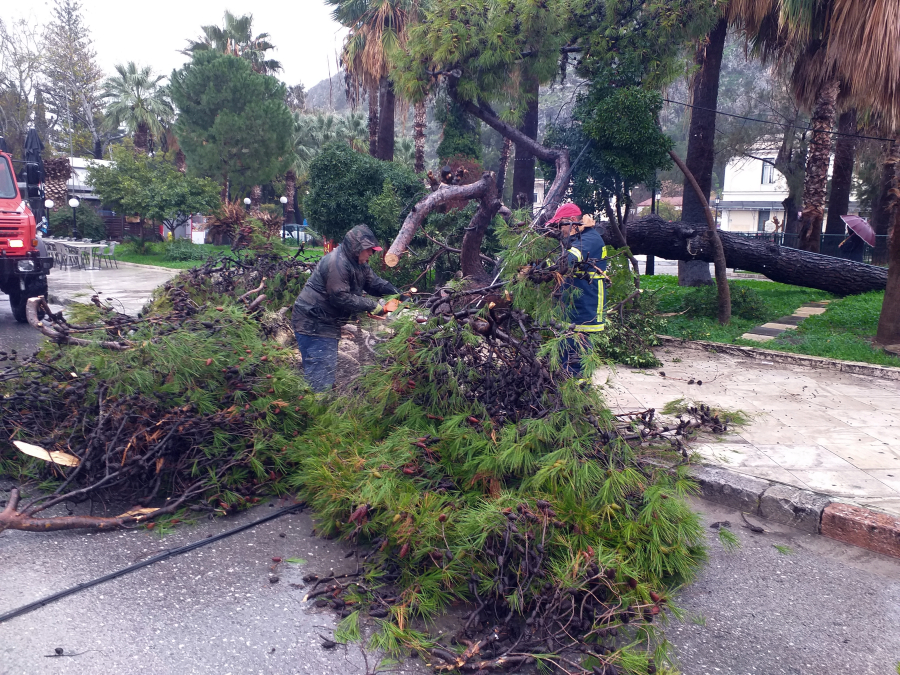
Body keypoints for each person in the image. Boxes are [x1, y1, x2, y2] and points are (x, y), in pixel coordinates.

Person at [292, 223, 400, 392]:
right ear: (357, 247)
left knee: (323, 370)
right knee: (321, 375)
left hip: (325, 321)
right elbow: (339, 297)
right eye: (370, 249)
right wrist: (374, 306)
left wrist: (398, 294)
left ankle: (318, 404)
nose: (372, 253)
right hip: (313, 322)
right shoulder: (337, 263)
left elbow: (374, 283)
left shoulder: (359, 263)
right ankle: (316, 409)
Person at [547, 203, 609, 379]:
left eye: (560, 225)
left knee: (577, 357)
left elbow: (568, 260)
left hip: (586, 306)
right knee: (565, 351)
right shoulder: (577, 237)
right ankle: (567, 390)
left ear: (573, 221)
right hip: (572, 304)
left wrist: (545, 265)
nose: (559, 230)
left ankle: (579, 396)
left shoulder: (589, 239)